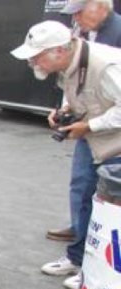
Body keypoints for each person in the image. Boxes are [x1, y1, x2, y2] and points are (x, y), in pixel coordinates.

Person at [12, 20, 121, 289]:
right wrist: (64, 110)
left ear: (58, 50)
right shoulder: (70, 63)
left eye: (36, 57)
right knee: (84, 194)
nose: (33, 63)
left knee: (110, 211)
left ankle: (102, 273)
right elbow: (76, 91)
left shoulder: (106, 65)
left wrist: (89, 126)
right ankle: (77, 258)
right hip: (94, 138)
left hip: (114, 143)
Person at [47, 0, 121, 245]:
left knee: (107, 194)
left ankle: (93, 244)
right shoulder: (80, 34)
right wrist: (67, 108)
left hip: (112, 132)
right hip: (90, 124)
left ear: (101, 6)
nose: (75, 18)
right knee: (81, 183)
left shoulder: (116, 36)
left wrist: (91, 125)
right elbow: (75, 78)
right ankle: (79, 231)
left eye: (79, 12)